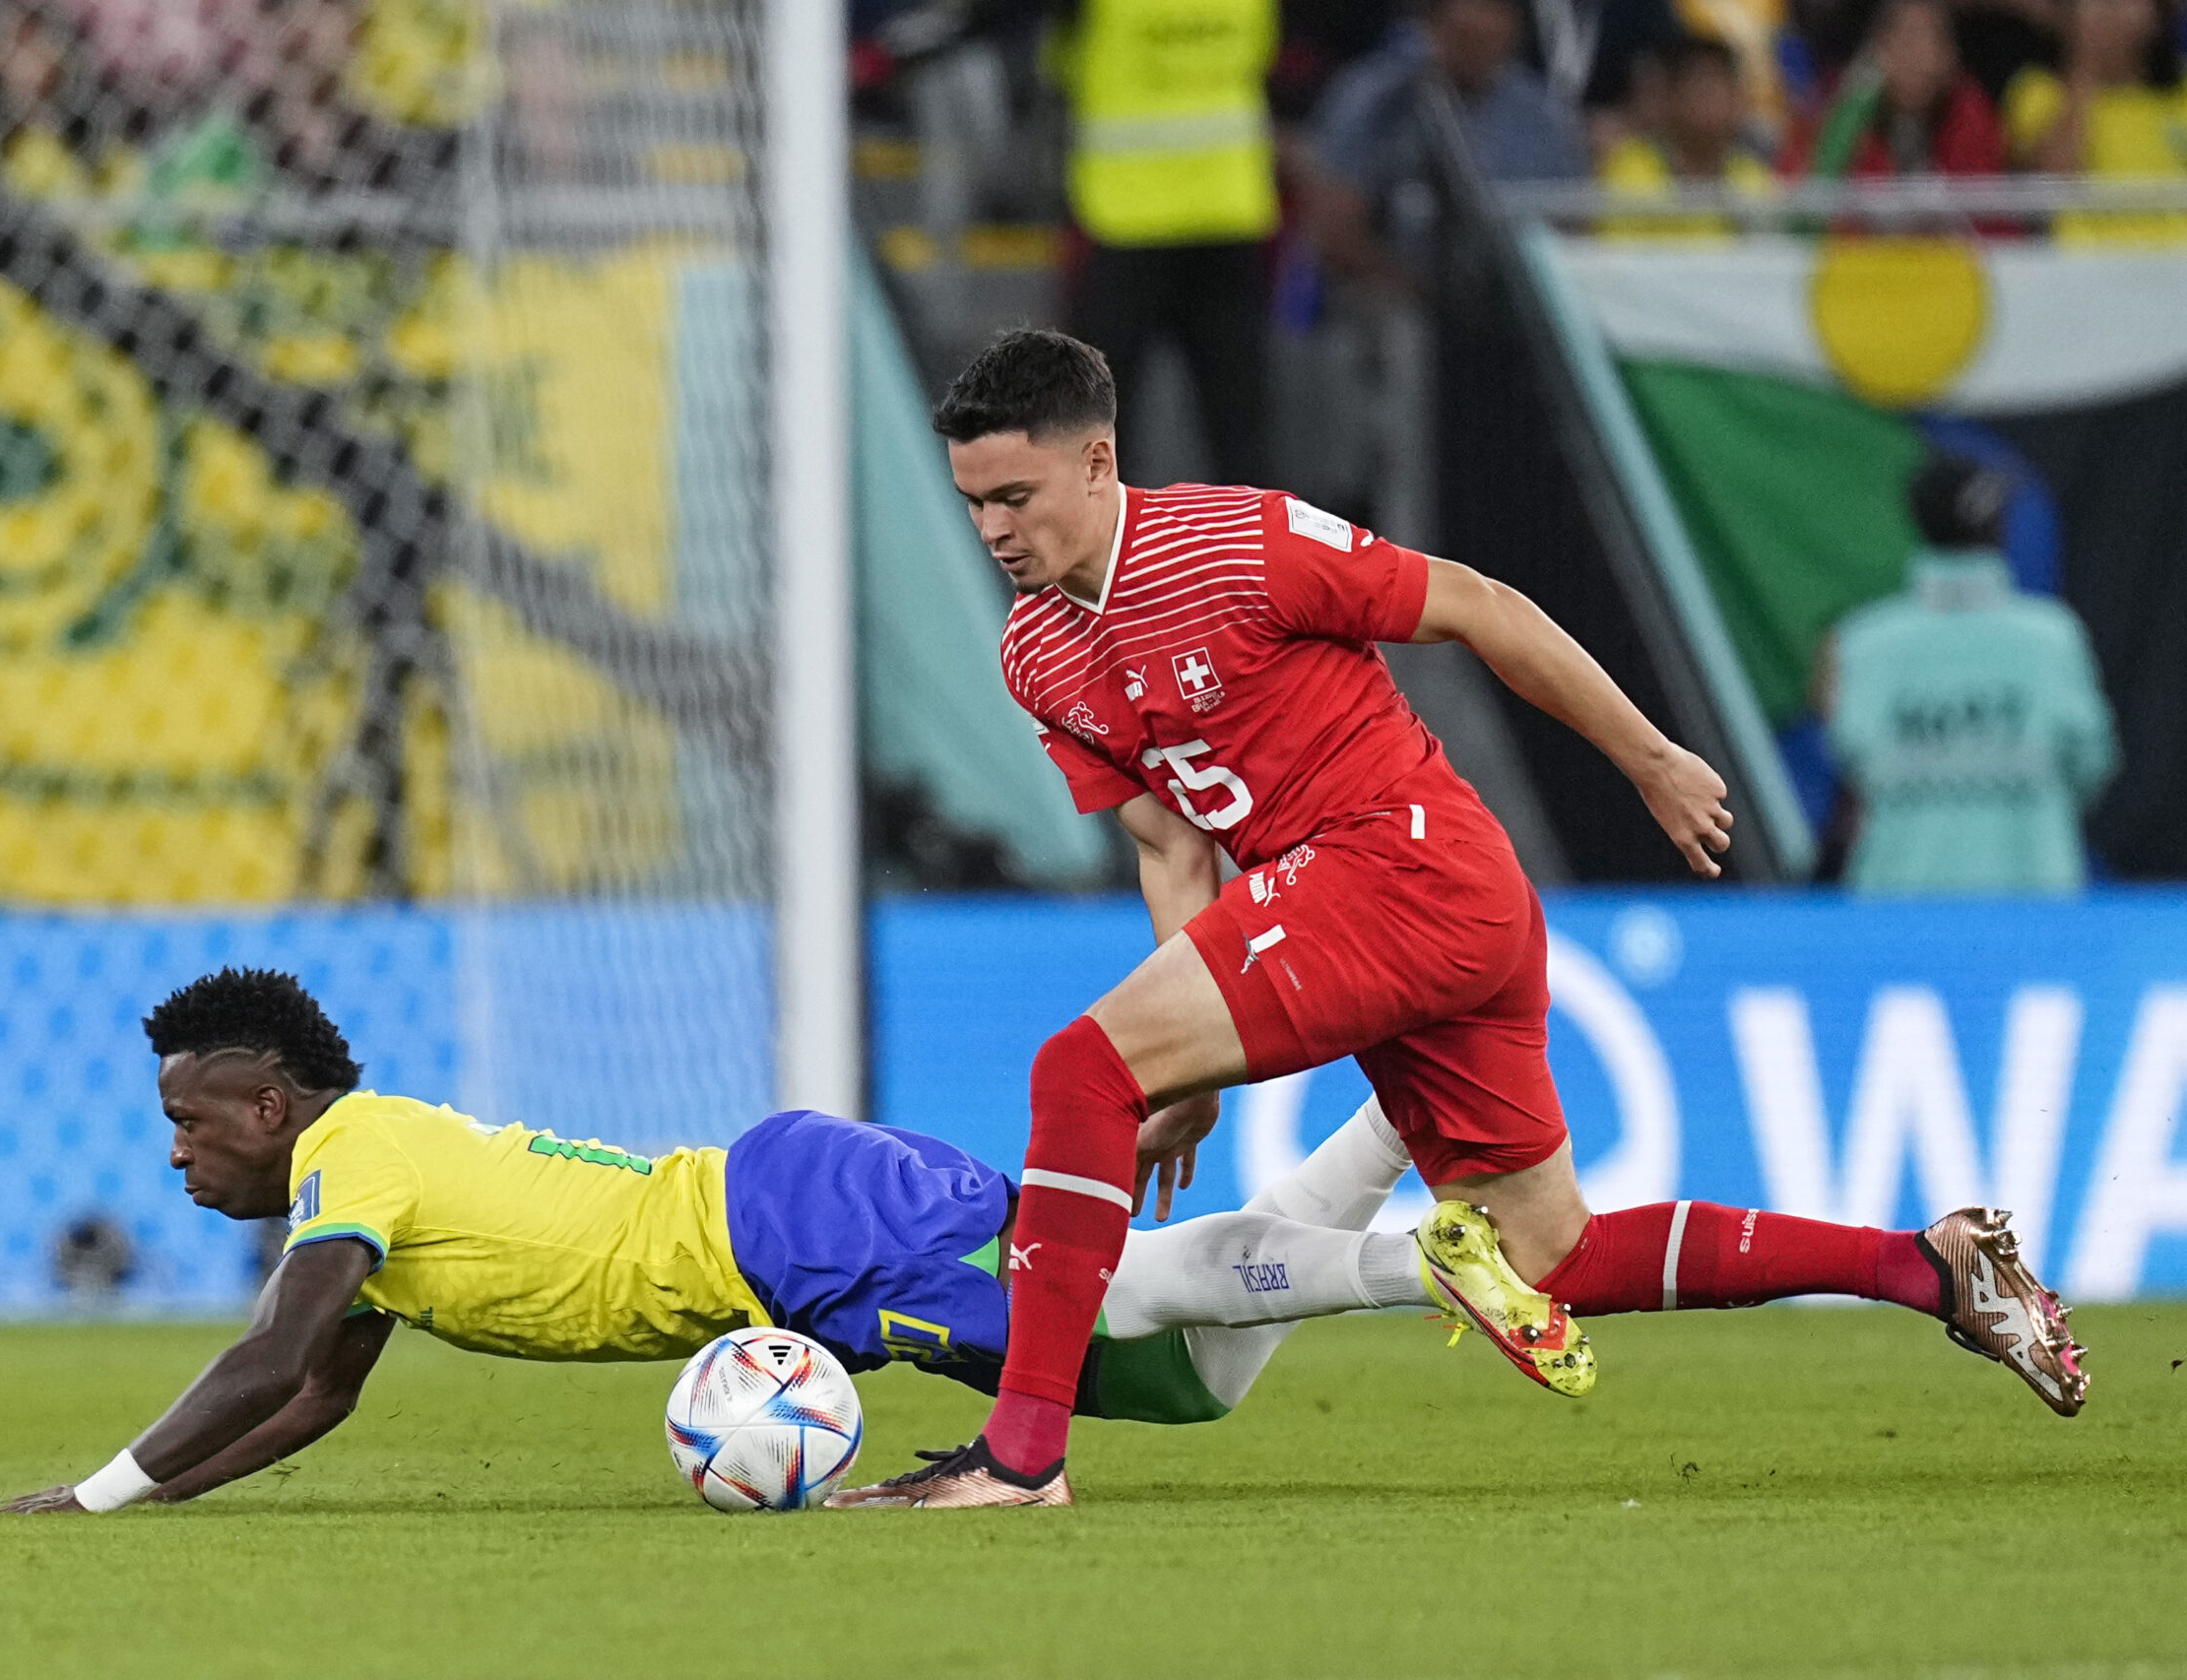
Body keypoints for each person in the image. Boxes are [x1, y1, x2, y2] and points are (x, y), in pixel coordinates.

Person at [826, 329, 2088, 1510]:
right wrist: (1190, 1076)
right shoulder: (1036, 653)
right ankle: (1924, 1265)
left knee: (1078, 1070)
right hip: (1376, 909)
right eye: (973, 504)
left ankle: (1021, 1455)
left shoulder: (1237, 543)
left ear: (1098, 460)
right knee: (1550, 1257)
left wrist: (1647, 757)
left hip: (1398, 865)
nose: (992, 530)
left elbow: (1479, 604)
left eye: (1015, 496)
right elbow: (1168, 839)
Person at [0, 966, 1442, 1514]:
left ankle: (1422, 1259)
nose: (177, 1152)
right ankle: (1394, 1118)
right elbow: (314, 1393)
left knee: (1119, 1297)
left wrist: (100, 1492)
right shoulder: (371, 1188)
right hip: (795, 1243)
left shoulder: (352, 1153)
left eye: (188, 1121)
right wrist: (158, 1497)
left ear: (267, 1104)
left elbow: (269, 1355)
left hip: (781, 1226)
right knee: (1173, 1384)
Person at [1826, 454, 2117, 894]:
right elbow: (2092, 762)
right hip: (2032, 896)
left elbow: (1850, 759)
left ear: (1917, 522)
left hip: (1901, 900)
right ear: (1999, 526)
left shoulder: (1864, 641)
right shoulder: (2051, 638)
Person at [1057, 0, 1281, 486]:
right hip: (1227, 213)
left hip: (1124, 220)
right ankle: (1250, 540)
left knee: (1098, 434)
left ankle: (1104, 538)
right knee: (1240, 438)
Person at [1303, 0, 1586, 288]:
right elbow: (1334, 228)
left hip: (1515, 291)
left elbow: (1573, 226)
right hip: (1389, 288)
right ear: (1432, 21)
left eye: (1497, 15)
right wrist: (1418, 289)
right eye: (1467, 27)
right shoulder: (1377, 98)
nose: (1483, 29)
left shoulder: (1541, 115)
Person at [2004, 0, 2187, 243]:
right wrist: (2085, 76)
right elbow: (2051, 186)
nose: (2107, 13)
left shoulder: (2180, 95)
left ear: (2156, 17)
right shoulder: (2037, 92)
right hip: (2085, 259)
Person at [1780, 0, 2006, 180]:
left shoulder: (1971, 112)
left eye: (1928, 42)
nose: (1915, 58)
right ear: (1878, 48)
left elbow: (1987, 208)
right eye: (1905, 41)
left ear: (1949, 55)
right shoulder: (1845, 113)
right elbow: (1808, 196)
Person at [1599, 35, 1775, 238]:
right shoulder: (1631, 167)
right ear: (1671, 96)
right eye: (1700, 86)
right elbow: (1616, 253)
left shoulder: (1750, 175)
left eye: (1720, 86)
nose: (1710, 100)